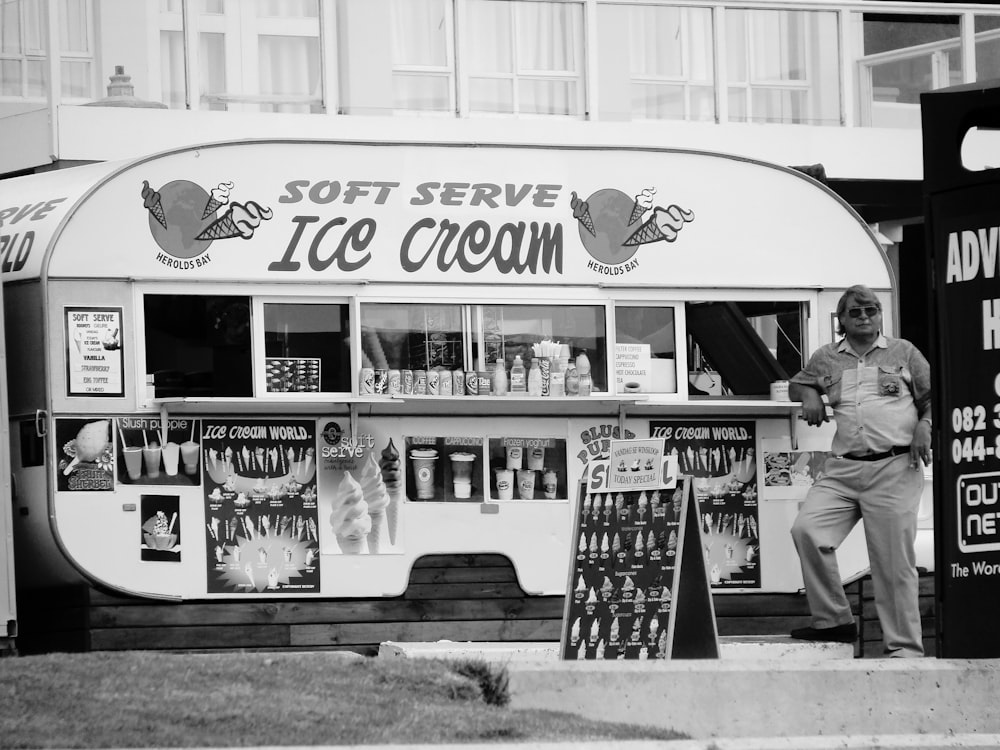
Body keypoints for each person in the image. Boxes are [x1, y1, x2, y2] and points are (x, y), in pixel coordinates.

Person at [788, 284, 931, 658]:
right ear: (842, 320)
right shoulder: (826, 357)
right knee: (807, 530)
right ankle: (834, 622)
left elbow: (934, 395)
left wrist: (925, 425)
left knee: (892, 563)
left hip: (895, 465)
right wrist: (809, 394)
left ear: (880, 315)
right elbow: (797, 383)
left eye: (870, 310)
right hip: (843, 469)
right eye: (855, 312)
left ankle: (904, 651)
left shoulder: (904, 352)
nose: (864, 316)